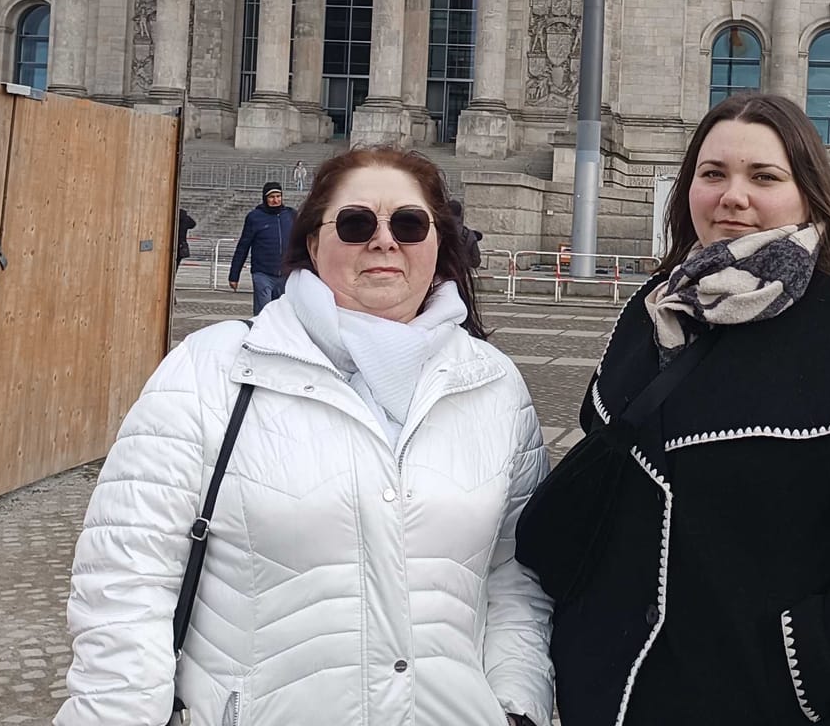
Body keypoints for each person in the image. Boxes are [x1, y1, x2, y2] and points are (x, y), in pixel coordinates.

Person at [516, 93, 830, 726]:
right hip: (619, 695)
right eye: (713, 175)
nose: (732, 196)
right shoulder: (655, 310)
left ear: (809, 193)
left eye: (763, 177)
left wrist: (804, 672)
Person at [56, 147, 552, 726]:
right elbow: (127, 581)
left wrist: (519, 707)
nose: (384, 241)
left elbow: (513, 574)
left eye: (410, 224)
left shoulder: (493, 385)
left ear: (440, 245)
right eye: (356, 223)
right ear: (313, 243)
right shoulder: (211, 368)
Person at [228, 181, 295, 315]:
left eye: (278, 196)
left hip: (286, 274)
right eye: (271, 197)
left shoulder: (291, 215)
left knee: (283, 314)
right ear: (265, 198)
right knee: (263, 313)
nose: (275, 200)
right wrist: (234, 275)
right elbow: (243, 246)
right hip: (262, 273)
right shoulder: (254, 217)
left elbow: (300, 243)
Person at [451, 198, 484, 271]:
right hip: (462, 275)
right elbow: (476, 261)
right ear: (460, 214)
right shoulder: (470, 235)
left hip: (441, 277)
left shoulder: (439, 232)